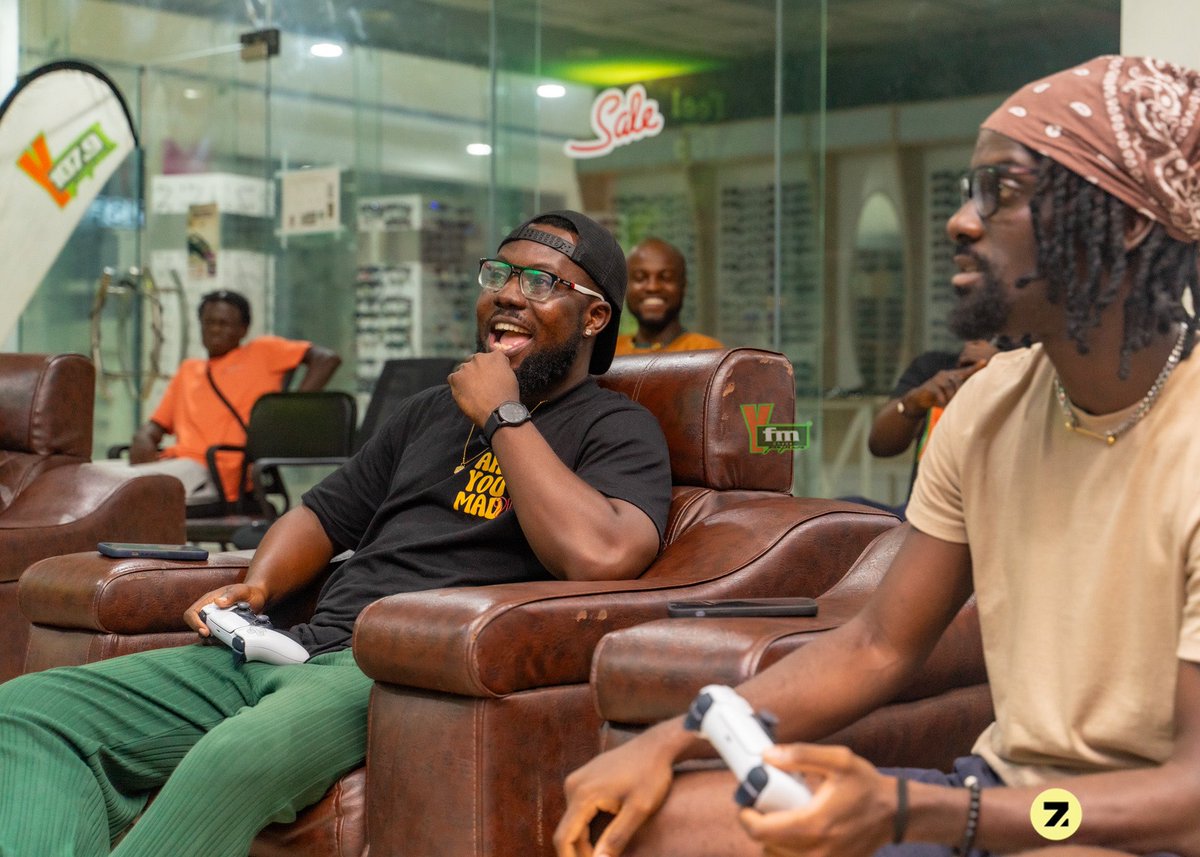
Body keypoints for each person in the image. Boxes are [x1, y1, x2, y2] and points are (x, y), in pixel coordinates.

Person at [555, 55, 1200, 857]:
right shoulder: (991, 405)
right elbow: (876, 644)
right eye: (968, 190)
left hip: (1121, 822)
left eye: (1001, 192)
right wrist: (673, 739)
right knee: (662, 824)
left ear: (1128, 223)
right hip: (1002, 795)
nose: (961, 221)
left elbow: (1189, 799)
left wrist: (929, 815)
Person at [0, 210, 672, 857]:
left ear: (594, 317)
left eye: (540, 283)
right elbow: (321, 514)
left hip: (389, 669)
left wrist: (503, 414)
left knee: (236, 754)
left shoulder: (613, 426)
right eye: (498, 274)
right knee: (26, 711)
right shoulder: (429, 411)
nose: (507, 296)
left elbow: (605, 552)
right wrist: (258, 584)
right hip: (290, 646)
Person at [125, 289, 343, 506]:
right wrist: (143, 437)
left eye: (224, 323)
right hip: (177, 465)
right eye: (208, 322)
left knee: (123, 492)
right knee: (99, 481)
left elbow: (326, 359)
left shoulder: (262, 351)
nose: (215, 330)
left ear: (243, 329)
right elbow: (156, 425)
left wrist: (288, 413)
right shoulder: (189, 370)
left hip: (219, 472)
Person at [614, 237, 723, 354]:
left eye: (666, 277)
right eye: (640, 278)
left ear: (683, 286)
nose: (653, 287)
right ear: (625, 287)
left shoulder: (708, 352)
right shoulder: (608, 354)